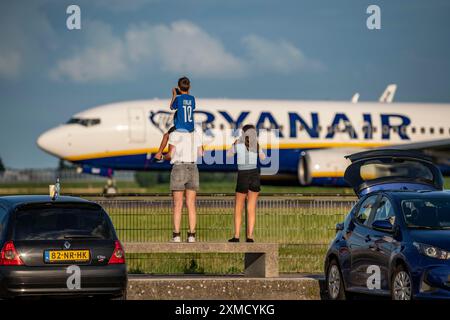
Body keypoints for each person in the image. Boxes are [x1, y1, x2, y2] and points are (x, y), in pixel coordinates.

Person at [227, 124, 265, 243]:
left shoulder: (238, 143)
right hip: (254, 174)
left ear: (243, 133)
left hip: (243, 174)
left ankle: (237, 236)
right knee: (251, 208)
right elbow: (263, 158)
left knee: (238, 207)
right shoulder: (256, 145)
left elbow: (228, 155)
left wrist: (234, 143)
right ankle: (250, 236)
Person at [166, 125, 203, 243]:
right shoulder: (195, 134)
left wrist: (161, 155)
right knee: (191, 204)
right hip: (193, 167)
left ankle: (176, 235)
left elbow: (170, 154)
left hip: (179, 167)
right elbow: (201, 153)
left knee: (178, 204)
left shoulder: (174, 133)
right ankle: (192, 235)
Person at [155, 77, 195, 161]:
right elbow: (189, 102)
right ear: (189, 87)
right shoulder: (192, 99)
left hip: (179, 128)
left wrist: (174, 95)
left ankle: (159, 154)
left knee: (166, 136)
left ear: (179, 88)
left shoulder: (178, 98)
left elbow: (171, 107)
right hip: (190, 129)